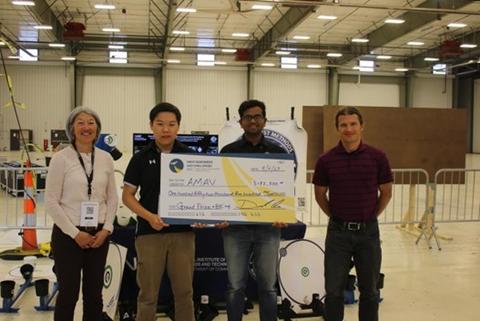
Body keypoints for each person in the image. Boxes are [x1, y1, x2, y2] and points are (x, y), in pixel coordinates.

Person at [313, 107, 393, 321]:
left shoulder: (378, 157)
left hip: (368, 234)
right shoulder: (326, 160)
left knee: (370, 291)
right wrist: (335, 217)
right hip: (338, 234)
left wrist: (370, 216)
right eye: (343, 125)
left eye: (353, 124)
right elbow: (320, 194)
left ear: (361, 126)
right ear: (337, 129)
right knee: (333, 291)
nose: (349, 129)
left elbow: (386, 192)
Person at [122, 102, 195, 321]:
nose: (166, 129)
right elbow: (127, 196)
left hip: (183, 234)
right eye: (160, 124)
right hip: (149, 234)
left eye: (171, 124)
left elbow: (200, 194)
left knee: (184, 294)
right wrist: (149, 217)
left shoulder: (191, 156)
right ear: (151, 126)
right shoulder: (140, 158)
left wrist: (201, 216)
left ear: (178, 127)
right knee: (147, 295)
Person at [45, 106, 118, 321]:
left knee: (94, 295)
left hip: (98, 236)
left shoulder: (105, 159)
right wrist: (74, 233)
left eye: (91, 122)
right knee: (68, 293)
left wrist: (106, 229)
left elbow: (112, 197)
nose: (86, 127)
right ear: (72, 129)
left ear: (97, 129)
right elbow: (51, 201)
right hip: (68, 236)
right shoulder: (61, 159)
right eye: (81, 123)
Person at [219, 99, 287, 321]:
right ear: (240, 122)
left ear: (265, 121)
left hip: (269, 229)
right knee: (235, 286)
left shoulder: (278, 153)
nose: (253, 120)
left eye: (258, 116)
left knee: (268, 286)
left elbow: (284, 189)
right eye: (248, 117)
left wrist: (282, 213)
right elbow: (221, 188)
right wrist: (220, 214)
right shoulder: (228, 151)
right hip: (235, 229)